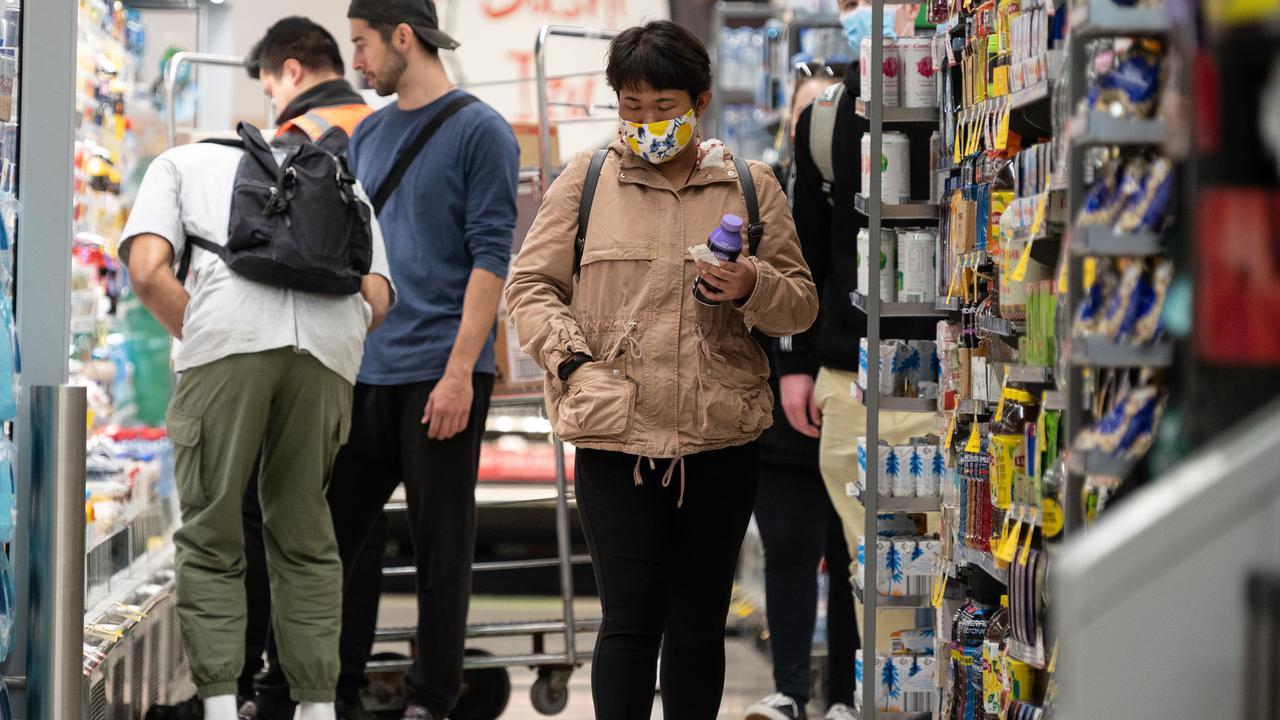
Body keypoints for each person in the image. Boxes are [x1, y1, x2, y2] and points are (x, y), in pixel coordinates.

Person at [506, 20, 819, 719]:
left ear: (700, 101)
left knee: (699, 621)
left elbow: (800, 305)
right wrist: (574, 364)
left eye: (664, 108)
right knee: (630, 615)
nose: (647, 124)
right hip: (616, 435)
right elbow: (529, 287)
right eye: (632, 108)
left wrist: (751, 286)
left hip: (720, 437)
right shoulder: (586, 180)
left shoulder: (750, 185)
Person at [122, 36, 395, 720]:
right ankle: (314, 707)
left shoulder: (179, 163)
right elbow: (380, 295)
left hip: (228, 341)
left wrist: (208, 335)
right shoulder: (335, 174)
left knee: (213, 532)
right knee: (305, 534)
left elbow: (147, 269)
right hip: (329, 351)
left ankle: (220, 702)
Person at [328, 1, 520, 718]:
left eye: (363, 45)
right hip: (365, 370)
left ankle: (431, 699)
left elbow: (489, 255)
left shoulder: (481, 130)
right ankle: (329, 686)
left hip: (441, 370)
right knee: (330, 540)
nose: (358, 61)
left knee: (442, 549)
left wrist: (459, 372)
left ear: (403, 37)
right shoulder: (367, 134)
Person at [229, 18, 388, 720]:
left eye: (267, 82)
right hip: (379, 360)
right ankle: (340, 684)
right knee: (352, 530)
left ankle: (264, 685)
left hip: (308, 357)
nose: (269, 98)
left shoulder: (301, 137)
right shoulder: (387, 121)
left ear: (290, 71)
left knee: (277, 516)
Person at [786, 0, 934, 654]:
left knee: (964, 581)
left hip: (963, 384)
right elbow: (804, 261)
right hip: (852, 384)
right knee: (877, 579)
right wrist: (797, 367)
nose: (868, 12)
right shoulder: (824, 121)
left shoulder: (968, 89)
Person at [745, 70, 860, 720]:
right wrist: (789, 366)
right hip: (783, 404)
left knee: (851, 552)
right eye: (801, 113)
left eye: (822, 110)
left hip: (846, 379)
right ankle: (790, 689)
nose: (812, 124)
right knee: (789, 548)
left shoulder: (850, 184)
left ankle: (844, 695)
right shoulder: (763, 189)